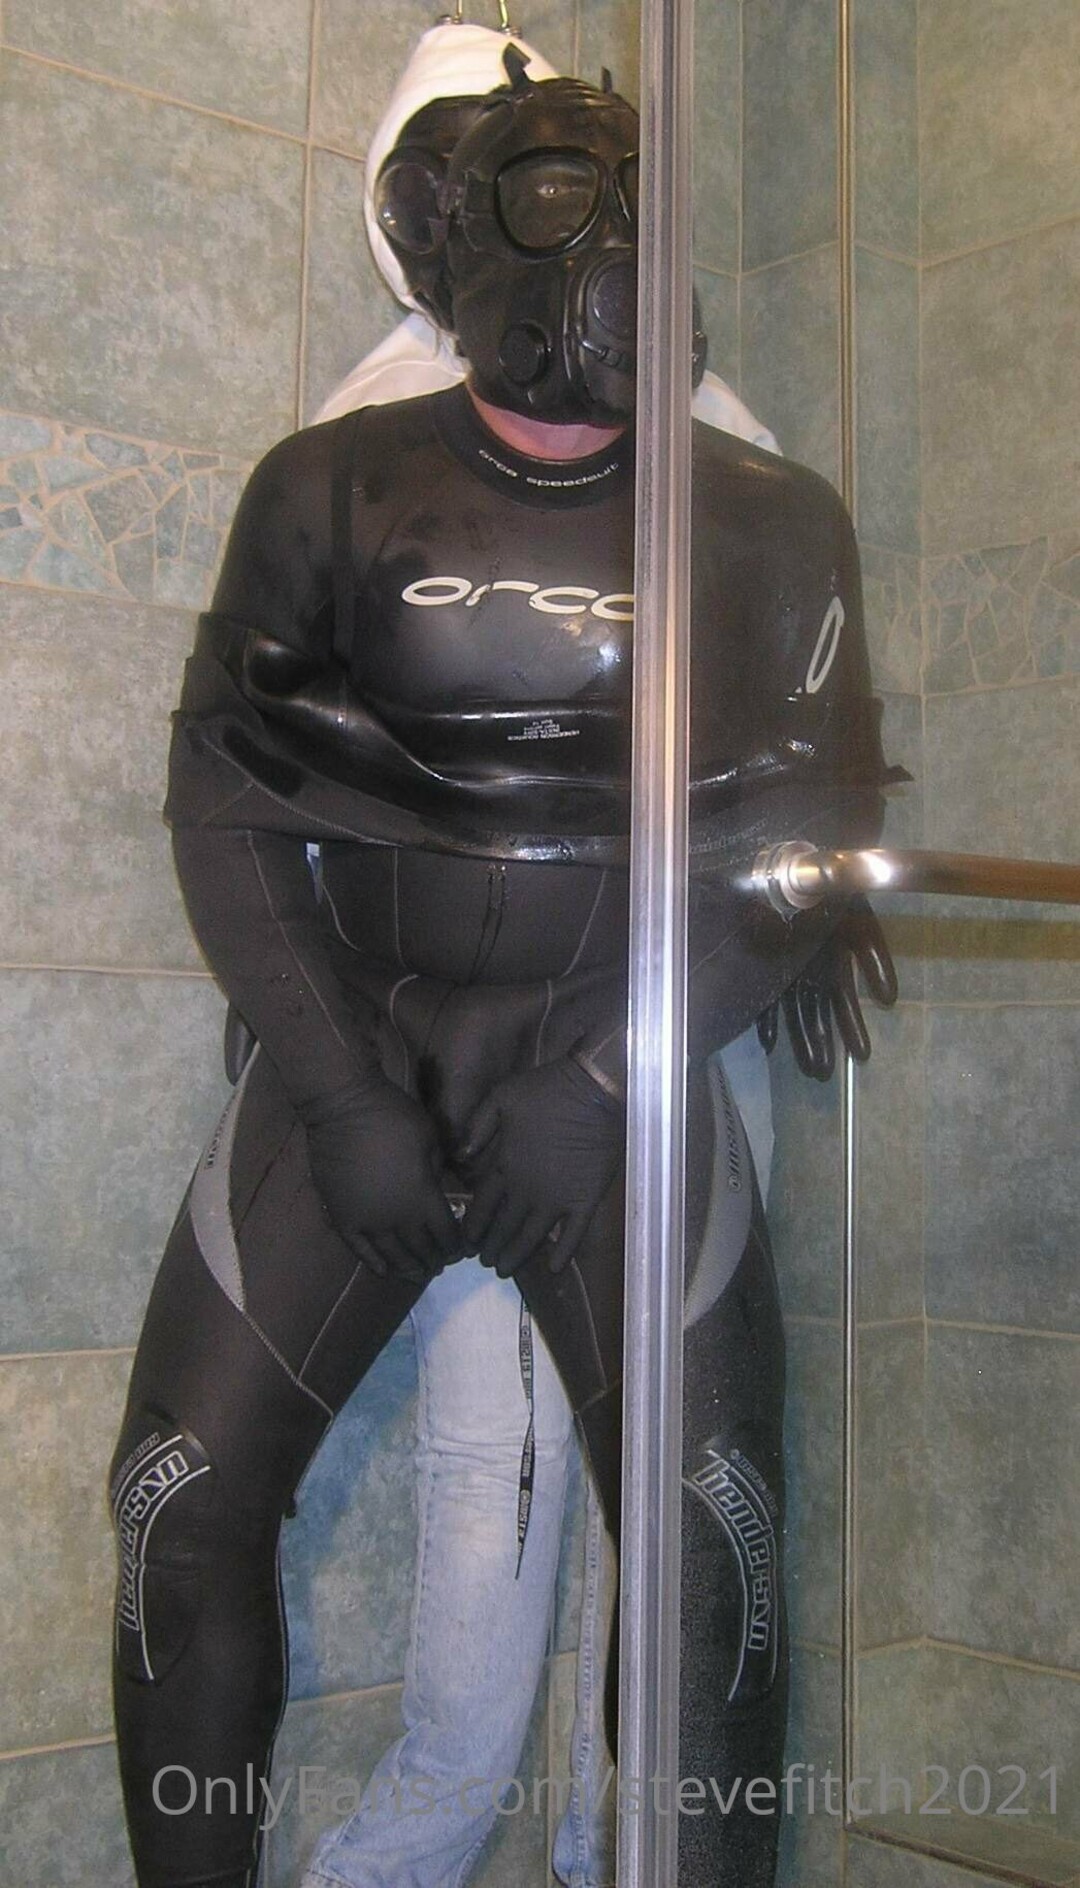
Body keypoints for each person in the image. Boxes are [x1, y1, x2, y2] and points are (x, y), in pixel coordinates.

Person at [109, 57, 899, 1888]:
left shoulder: (771, 519)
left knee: (713, 1552)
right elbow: (225, 799)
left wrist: (612, 1080)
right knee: (178, 1506)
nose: (596, 246)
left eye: (631, 212)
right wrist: (334, 1091)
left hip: (614, 1061)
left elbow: (813, 842)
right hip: (359, 1055)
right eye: (551, 201)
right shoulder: (330, 483)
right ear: (459, 236)